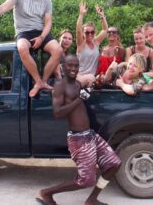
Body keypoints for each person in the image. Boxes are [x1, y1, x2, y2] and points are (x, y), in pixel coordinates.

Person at [36, 54, 121, 205]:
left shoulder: (77, 84)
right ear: (63, 67)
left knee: (114, 164)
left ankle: (92, 199)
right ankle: (46, 193)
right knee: (85, 181)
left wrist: (94, 86)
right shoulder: (59, 86)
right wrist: (80, 99)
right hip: (78, 139)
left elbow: (84, 95)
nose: (74, 69)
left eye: (76, 65)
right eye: (70, 65)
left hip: (90, 135)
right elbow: (57, 113)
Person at [76, 2, 108, 86]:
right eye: (87, 32)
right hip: (79, 77)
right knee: (91, 79)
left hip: (91, 79)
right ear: (83, 33)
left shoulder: (96, 42)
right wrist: (81, 14)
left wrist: (102, 16)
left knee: (98, 80)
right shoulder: (81, 44)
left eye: (92, 32)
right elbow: (78, 31)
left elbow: (105, 30)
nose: (90, 34)